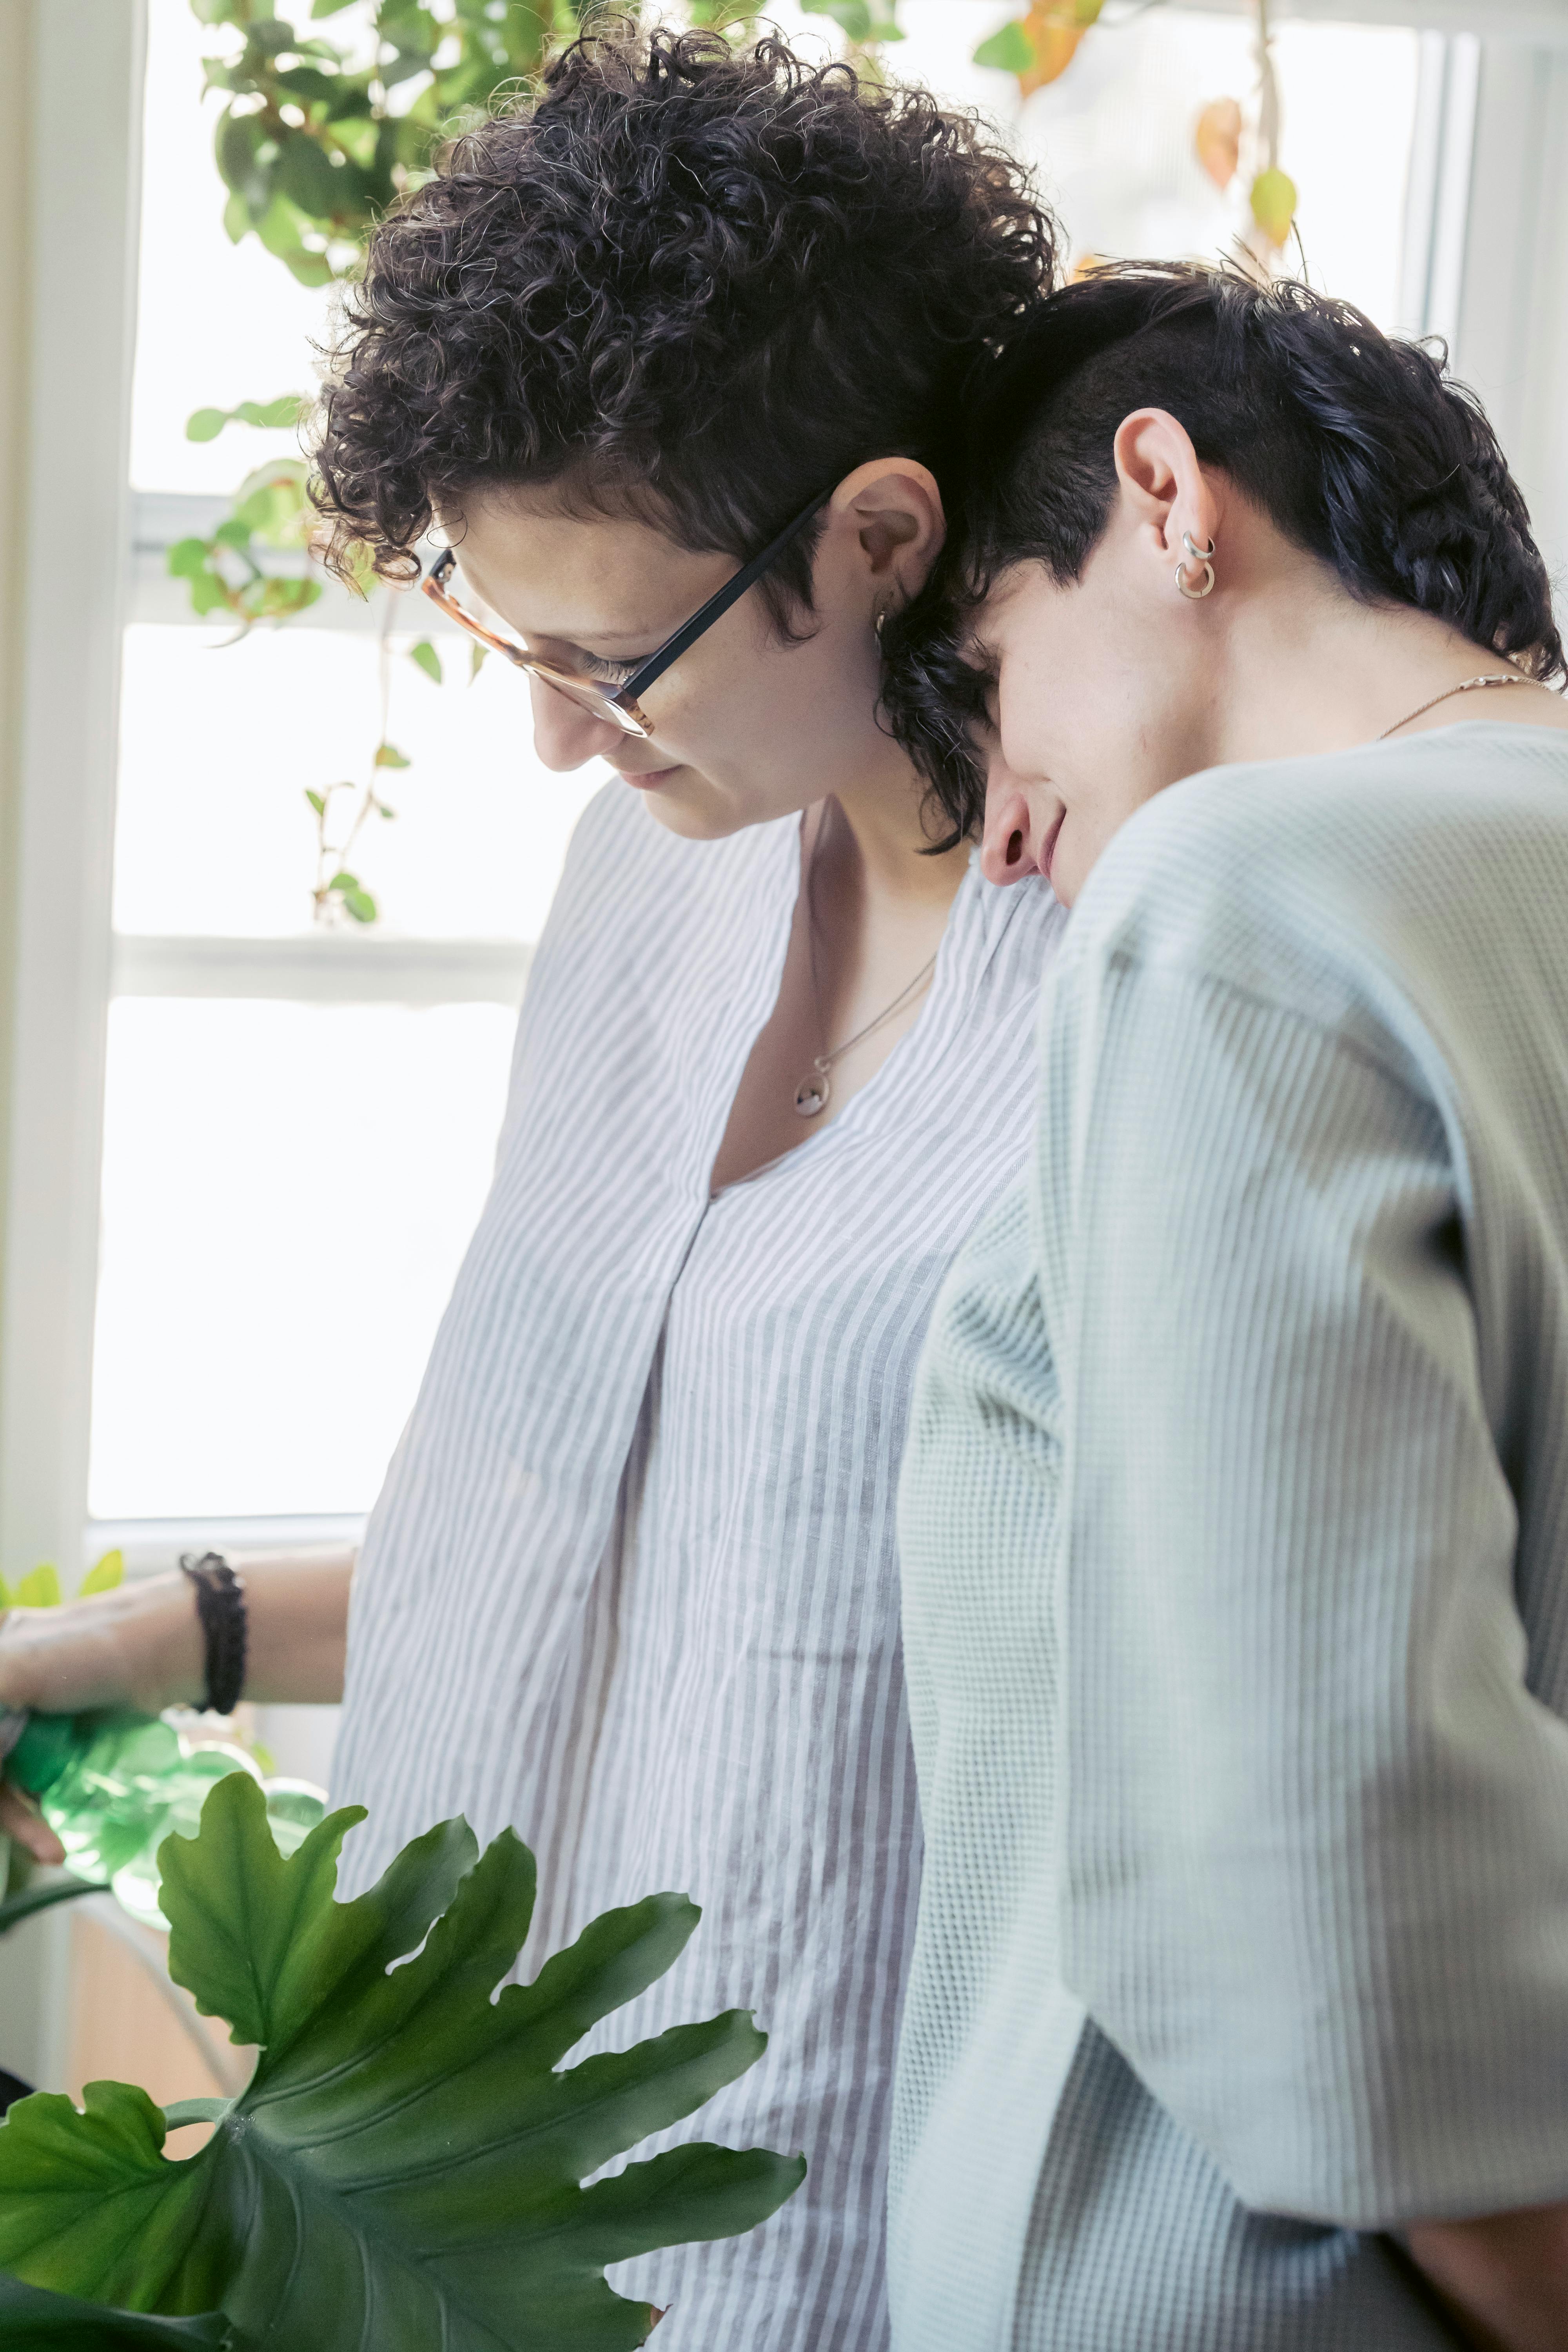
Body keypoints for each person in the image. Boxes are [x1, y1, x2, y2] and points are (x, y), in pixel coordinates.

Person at [0, 28, 1067, 2348]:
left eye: (610, 655)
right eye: (510, 644)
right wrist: (120, 1647)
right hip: (431, 2195)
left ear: (878, 536)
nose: (558, 731)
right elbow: (588, 1539)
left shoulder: (1143, 998)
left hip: (840, 2240)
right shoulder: (647, 894)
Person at [878, 262, 1568, 2352]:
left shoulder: (1243, 903)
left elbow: (1337, 1865)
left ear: (1166, 494)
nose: (999, 840)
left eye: (991, 679)